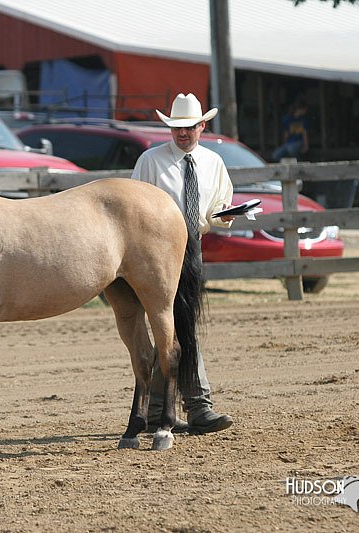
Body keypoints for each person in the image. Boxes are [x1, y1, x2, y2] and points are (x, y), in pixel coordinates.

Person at [130, 93, 234, 435]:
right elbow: (132, 206)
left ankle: (161, 408)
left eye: (189, 127)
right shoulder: (150, 161)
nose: (182, 134)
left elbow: (220, 203)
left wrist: (223, 218)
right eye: (177, 128)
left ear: (202, 126)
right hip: (155, 253)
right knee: (174, 326)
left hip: (193, 247)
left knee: (177, 326)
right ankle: (197, 406)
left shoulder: (213, 163)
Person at [272, 97, 309, 162]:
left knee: (291, 149)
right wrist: (284, 144)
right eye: (305, 109)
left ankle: (300, 163)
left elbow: (304, 133)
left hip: (299, 142)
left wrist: (306, 146)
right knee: (275, 155)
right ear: (300, 109)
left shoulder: (304, 119)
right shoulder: (287, 119)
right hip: (289, 143)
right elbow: (285, 134)